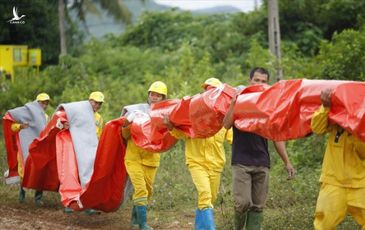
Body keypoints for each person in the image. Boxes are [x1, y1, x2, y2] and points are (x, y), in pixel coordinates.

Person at [223, 67, 295, 230]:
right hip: (241, 162)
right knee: (242, 203)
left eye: (263, 81)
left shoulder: (269, 106)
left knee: (258, 206)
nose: (259, 84)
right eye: (256, 80)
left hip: (262, 162)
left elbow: (277, 137)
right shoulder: (240, 100)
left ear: (267, 84)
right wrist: (234, 103)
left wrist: (287, 162)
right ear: (250, 81)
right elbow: (226, 124)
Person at [163, 77, 232, 229]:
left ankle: (200, 227)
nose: (209, 92)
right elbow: (180, 133)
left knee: (210, 199)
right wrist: (170, 126)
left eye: (213, 90)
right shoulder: (192, 114)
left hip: (216, 165)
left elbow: (233, 138)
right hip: (196, 162)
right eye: (207, 90)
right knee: (205, 195)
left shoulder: (224, 120)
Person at [311, 88, 365, 229]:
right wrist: (326, 106)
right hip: (333, 181)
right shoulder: (335, 118)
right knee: (323, 225)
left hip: (360, 183)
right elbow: (317, 128)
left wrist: (356, 130)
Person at [122, 81, 167, 230]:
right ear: (148, 95)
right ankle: (143, 224)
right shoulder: (136, 111)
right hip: (133, 156)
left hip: (151, 159)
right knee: (140, 189)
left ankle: (135, 219)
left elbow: (167, 137)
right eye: (152, 94)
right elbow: (124, 135)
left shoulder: (164, 115)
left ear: (163, 98)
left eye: (158, 95)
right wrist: (128, 123)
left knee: (148, 192)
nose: (154, 97)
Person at [63, 91, 104, 215]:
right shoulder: (77, 113)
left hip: (91, 150)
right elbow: (60, 124)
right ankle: (69, 203)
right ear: (88, 101)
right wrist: (64, 125)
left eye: (99, 104)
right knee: (72, 175)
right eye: (94, 102)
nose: (96, 105)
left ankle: (87, 205)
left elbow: (100, 134)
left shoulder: (99, 118)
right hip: (76, 148)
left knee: (89, 177)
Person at [8, 93, 50, 205]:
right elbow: (12, 127)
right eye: (42, 102)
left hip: (39, 148)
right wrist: (20, 126)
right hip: (25, 146)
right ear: (37, 103)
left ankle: (38, 197)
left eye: (46, 103)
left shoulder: (46, 117)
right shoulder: (25, 114)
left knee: (40, 171)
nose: (44, 105)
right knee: (23, 169)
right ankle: (22, 194)